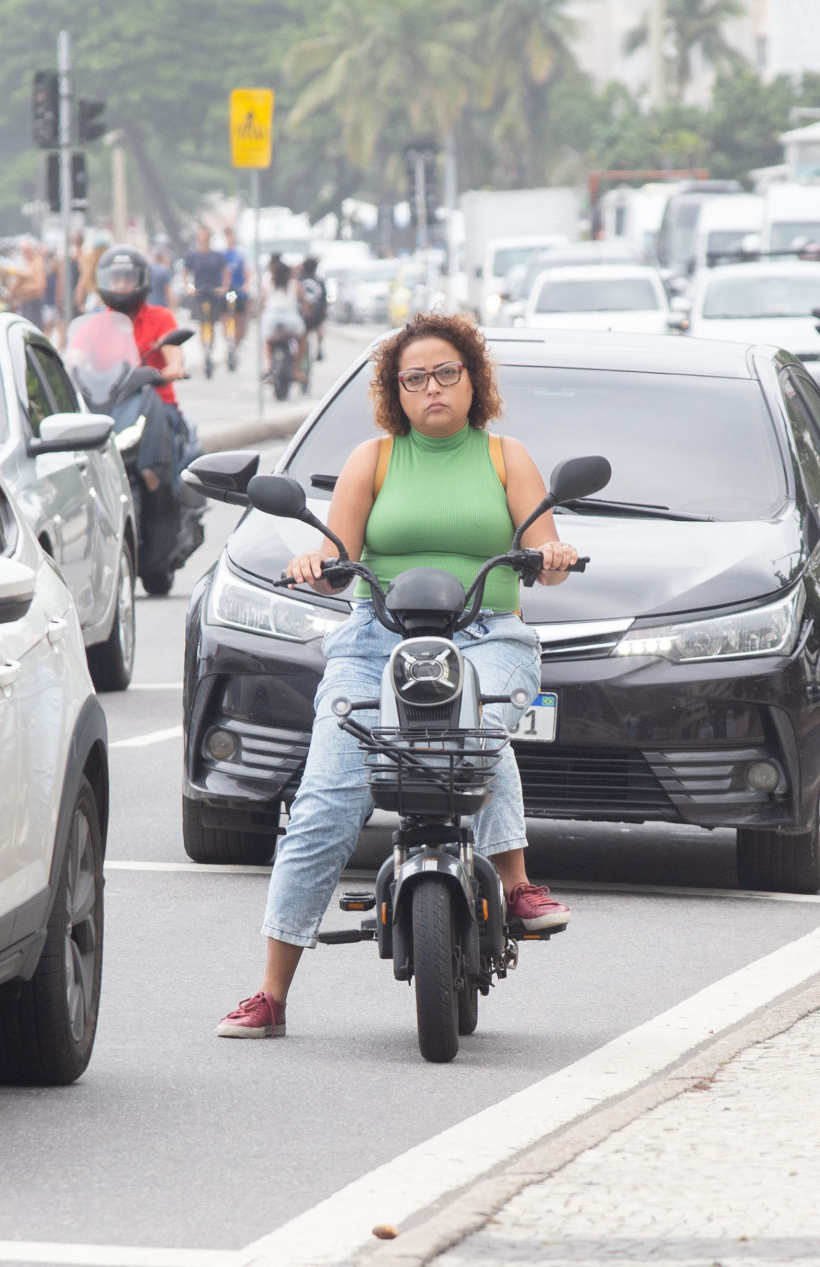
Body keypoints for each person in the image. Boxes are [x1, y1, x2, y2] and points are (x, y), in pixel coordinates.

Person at [216, 312, 577, 1040]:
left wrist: (555, 554)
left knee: (475, 729)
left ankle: (517, 885)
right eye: (416, 378)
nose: (433, 388)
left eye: (447, 372)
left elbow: (544, 545)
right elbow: (337, 550)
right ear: (395, 392)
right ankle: (271, 992)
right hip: (376, 639)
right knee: (322, 797)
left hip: (485, 633)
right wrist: (313, 562)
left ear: (474, 381)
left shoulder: (508, 458)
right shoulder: (373, 460)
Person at [94, 245, 192, 493]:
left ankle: (161, 488)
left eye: (128, 279)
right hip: (111, 405)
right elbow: (75, 357)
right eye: (116, 279)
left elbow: (172, 349)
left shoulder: (160, 317)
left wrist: (173, 368)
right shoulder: (96, 323)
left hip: (157, 402)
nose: (122, 285)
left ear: (141, 280)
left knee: (164, 433)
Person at [182, 228, 230, 379]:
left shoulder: (217, 256)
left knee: (212, 322)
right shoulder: (192, 256)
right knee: (202, 323)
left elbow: (225, 272)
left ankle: (211, 347)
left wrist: (224, 288)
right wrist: (189, 288)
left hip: (214, 292)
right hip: (199, 292)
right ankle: (204, 349)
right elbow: (185, 273)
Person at [261, 254, 307, 390]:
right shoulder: (294, 284)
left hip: (271, 316)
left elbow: (262, 300)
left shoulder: (268, 284)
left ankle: (269, 366)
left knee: (268, 341)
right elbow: (304, 300)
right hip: (290, 317)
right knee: (301, 339)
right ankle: (297, 370)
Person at [220, 225, 249, 373]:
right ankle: (229, 342)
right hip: (226, 290)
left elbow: (247, 272)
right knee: (226, 316)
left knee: (240, 318)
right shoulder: (221, 254)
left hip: (238, 291)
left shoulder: (240, 253)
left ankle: (237, 344)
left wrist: (246, 285)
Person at [297, 255, 329, 362]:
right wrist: (324, 311)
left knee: (302, 335)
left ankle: (302, 352)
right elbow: (324, 298)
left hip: (302, 314)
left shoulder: (299, 280)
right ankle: (319, 347)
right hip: (317, 313)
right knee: (320, 328)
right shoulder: (319, 281)